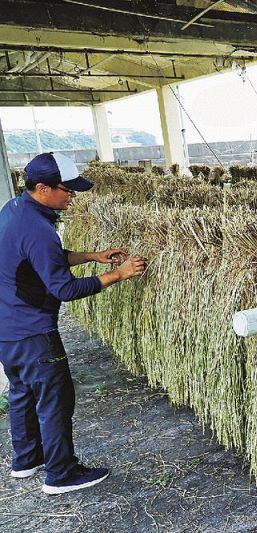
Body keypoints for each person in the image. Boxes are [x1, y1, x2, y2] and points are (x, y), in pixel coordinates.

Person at [0, 152, 147, 495]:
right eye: (67, 189)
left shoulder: (15, 210)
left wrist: (90, 256)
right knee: (55, 399)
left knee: (22, 392)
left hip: (7, 327)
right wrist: (118, 274)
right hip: (33, 331)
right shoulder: (39, 228)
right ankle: (61, 474)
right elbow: (64, 289)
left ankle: (26, 460)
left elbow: (39, 258)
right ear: (42, 188)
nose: (73, 195)